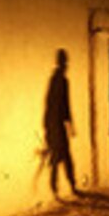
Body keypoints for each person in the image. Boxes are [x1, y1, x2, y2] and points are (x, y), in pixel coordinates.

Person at [42, 49, 78, 199]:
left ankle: (63, 186)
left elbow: (52, 104)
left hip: (53, 125)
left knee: (59, 157)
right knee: (60, 157)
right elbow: (64, 105)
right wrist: (70, 125)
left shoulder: (56, 80)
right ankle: (63, 187)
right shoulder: (61, 81)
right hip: (55, 125)